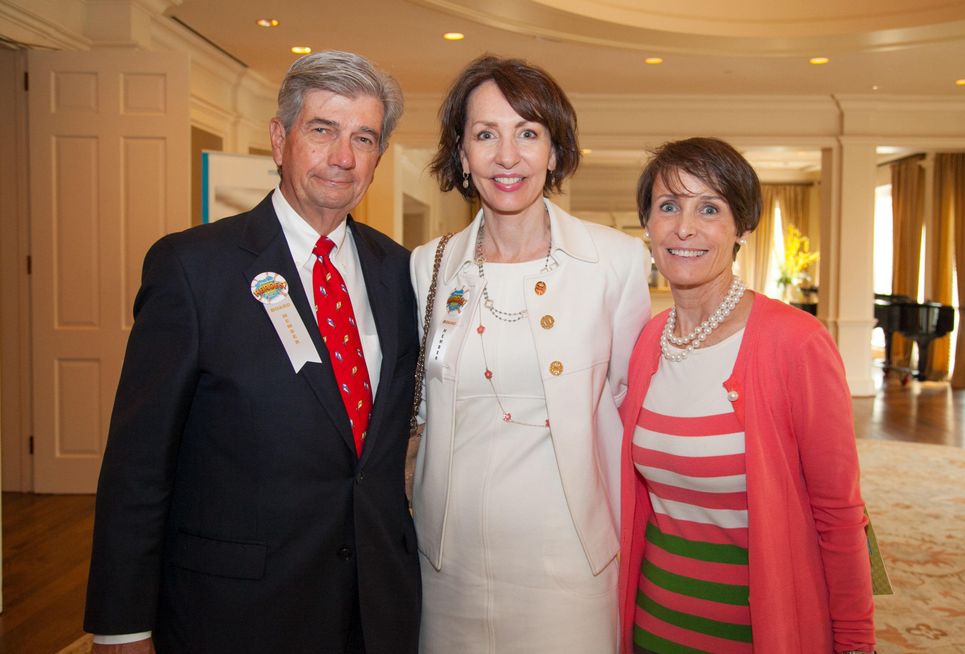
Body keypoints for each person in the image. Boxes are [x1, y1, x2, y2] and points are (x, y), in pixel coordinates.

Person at [84, 51, 421, 654]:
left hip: (374, 608)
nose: (342, 156)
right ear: (279, 139)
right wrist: (122, 624)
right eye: (322, 130)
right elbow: (139, 462)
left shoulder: (401, 272)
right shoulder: (193, 268)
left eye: (363, 138)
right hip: (237, 611)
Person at [409, 55, 651, 654]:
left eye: (528, 133)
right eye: (485, 134)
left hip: (568, 561)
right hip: (448, 560)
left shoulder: (614, 262)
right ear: (462, 156)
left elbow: (628, 407)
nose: (507, 156)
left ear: (555, 150)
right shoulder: (427, 267)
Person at [618, 137, 875, 653]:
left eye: (709, 208)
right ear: (648, 226)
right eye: (668, 206)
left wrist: (854, 642)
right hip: (654, 623)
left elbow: (839, 514)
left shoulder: (796, 342)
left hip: (758, 632)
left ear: (742, 228)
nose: (684, 227)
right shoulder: (649, 340)